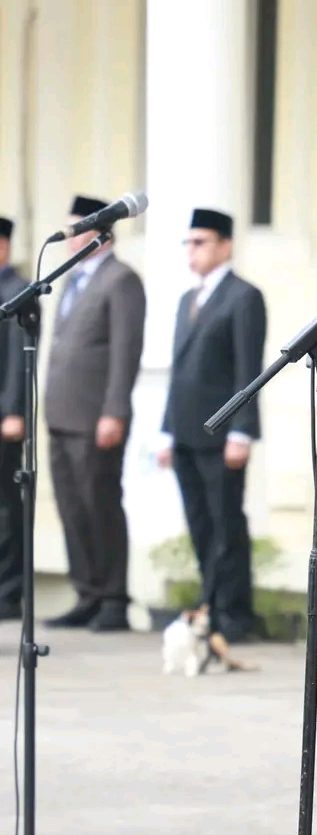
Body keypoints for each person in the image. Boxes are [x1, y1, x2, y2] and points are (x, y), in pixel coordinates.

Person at [158, 209, 266, 644]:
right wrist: (167, 430)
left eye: (201, 242)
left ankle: (234, 614)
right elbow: (178, 371)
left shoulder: (243, 297)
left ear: (225, 245)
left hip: (223, 435)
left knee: (226, 525)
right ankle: (211, 607)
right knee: (200, 524)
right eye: (188, 242)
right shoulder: (188, 298)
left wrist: (242, 430)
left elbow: (248, 371)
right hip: (186, 431)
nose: (192, 251)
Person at [44, 196, 146, 632]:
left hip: (95, 418)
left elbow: (125, 351)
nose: (71, 236)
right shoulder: (73, 278)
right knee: (72, 509)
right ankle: (87, 593)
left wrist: (114, 411)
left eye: (79, 227)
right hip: (61, 416)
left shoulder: (121, 279)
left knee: (99, 504)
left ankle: (112, 599)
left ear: (101, 231)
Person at [0, 217, 26, 621]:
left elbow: (20, 358)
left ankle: (7, 592)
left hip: (3, 417)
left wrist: (14, 410)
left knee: (5, 506)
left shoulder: (18, 290)